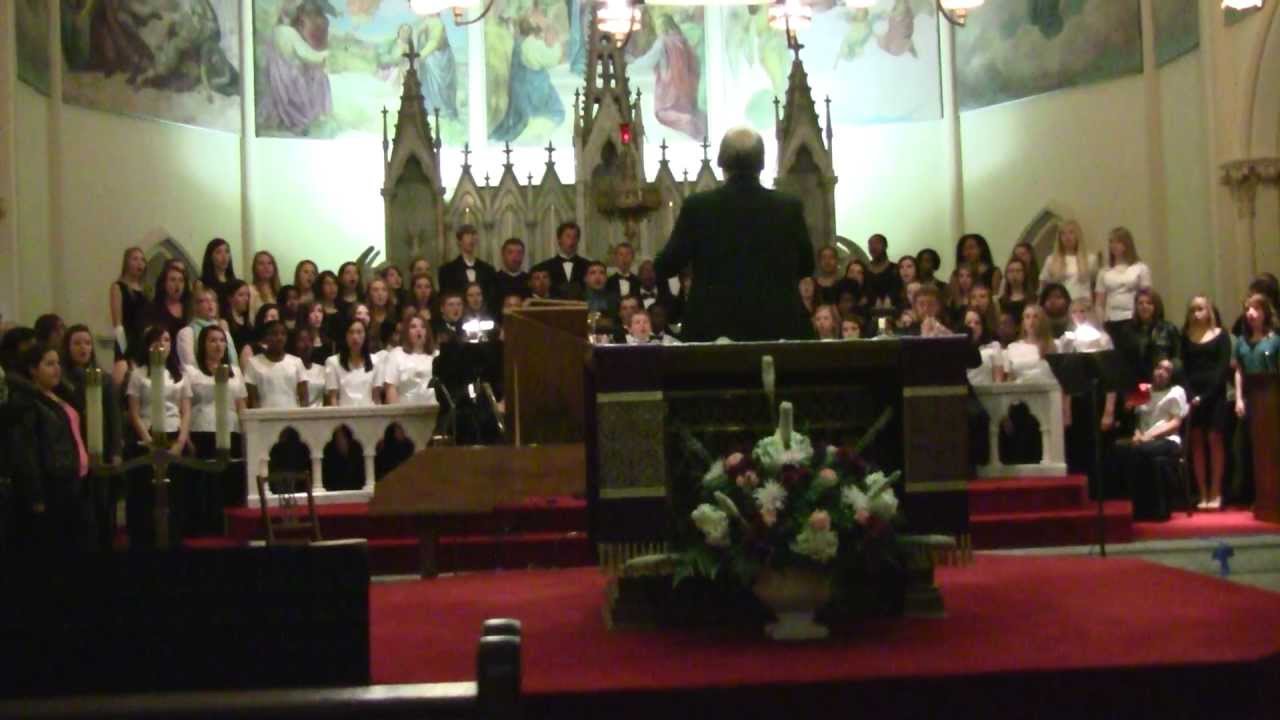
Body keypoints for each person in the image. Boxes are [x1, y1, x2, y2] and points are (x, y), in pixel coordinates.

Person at [655, 128, 814, 342]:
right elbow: (807, 265)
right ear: (762, 164)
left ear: (721, 162)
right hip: (777, 328)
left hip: (712, 329)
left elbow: (667, 265)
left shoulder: (699, 207)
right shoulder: (788, 208)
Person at [7, 344, 95, 551]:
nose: (57, 369)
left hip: (75, 478)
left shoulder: (59, 395)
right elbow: (27, 450)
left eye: (57, 363)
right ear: (33, 370)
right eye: (49, 364)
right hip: (54, 483)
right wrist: (36, 493)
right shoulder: (27, 401)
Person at [124, 326, 192, 548]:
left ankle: (174, 539)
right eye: (156, 340)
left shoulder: (180, 374)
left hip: (173, 435)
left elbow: (186, 410)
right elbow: (134, 412)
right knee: (145, 496)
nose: (161, 344)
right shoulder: (138, 374)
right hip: (147, 436)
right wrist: (150, 442)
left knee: (175, 496)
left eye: (166, 339)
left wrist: (181, 441)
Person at [60, 325, 123, 549]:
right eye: (77, 343)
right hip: (74, 451)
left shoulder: (104, 380)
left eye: (87, 343)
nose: (83, 348)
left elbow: (114, 419)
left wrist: (116, 451)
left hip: (102, 448)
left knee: (104, 507)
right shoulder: (61, 380)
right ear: (67, 348)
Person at [184, 325, 248, 535]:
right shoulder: (192, 372)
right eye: (212, 340)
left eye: (221, 340)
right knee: (206, 482)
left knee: (229, 480)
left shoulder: (235, 372)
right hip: (203, 430)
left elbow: (241, 405)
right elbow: (185, 404)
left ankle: (231, 528)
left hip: (231, 431)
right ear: (203, 345)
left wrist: (247, 434)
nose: (218, 345)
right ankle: (206, 527)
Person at [1112, 358, 1187, 520]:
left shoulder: (1177, 391)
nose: (1161, 372)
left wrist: (1149, 436)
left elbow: (1175, 423)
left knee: (1139, 450)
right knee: (1121, 448)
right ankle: (1137, 506)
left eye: (1167, 370)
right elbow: (1139, 419)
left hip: (1168, 440)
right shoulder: (1144, 390)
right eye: (1159, 368)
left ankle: (1155, 508)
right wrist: (1138, 434)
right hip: (1144, 440)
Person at [1181, 295, 1231, 510]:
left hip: (1215, 395)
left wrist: (1206, 396)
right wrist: (1191, 396)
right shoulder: (1185, 337)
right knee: (1196, 442)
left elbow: (1221, 370)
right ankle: (1202, 493)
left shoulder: (1221, 336)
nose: (1196, 313)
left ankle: (1216, 491)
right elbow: (1183, 369)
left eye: (1200, 309)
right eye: (1192, 310)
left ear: (1209, 310)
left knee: (1214, 440)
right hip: (1193, 397)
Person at [489, 17, 565, 142]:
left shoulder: (520, 43)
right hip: (532, 84)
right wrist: (556, 45)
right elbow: (550, 58)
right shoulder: (531, 44)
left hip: (519, 85)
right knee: (551, 108)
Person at [1095, 227, 1152, 337]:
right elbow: (1099, 303)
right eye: (1111, 242)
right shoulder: (1104, 272)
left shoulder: (1140, 268)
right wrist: (1102, 324)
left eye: (1118, 242)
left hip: (1133, 318)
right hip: (1111, 319)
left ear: (1127, 244)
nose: (1114, 246)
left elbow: (1147, 297)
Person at [110, 246, 150, 387]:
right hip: (127, 340)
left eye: (142, 260)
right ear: (126, 263)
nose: (140, 263)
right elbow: (118, 324)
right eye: (135, 259)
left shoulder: (145, 290)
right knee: (124, 380)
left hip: (142, 340)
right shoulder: (118, 287)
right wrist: (125, 353)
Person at [245, 321, 306, 409]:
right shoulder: (253, 363)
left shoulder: (296, 362)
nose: (279, 337)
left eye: (283, 334)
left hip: (292, 417)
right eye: (274, 334)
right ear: (266, 338)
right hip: (264, 417)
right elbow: (253, 399)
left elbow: (303, 398)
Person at [382, 316, 439, 405]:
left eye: (423, 327)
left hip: (434, 410)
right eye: (413, 327)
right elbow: (390, 388)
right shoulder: (396, 354)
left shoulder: (436, 355)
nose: (419, 330)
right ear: (406, 332)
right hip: (406, 412)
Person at [1040, 220, 1097, 307]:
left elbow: (1095, 286)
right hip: (1060, 307)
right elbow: (1043, 285)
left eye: (1071, 233)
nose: (1067, 237)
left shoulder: (1090, 259)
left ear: (1078, 236)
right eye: (1063, 234)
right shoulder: (1051, 260)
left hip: (1084, 306)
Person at [177, 288, 237, 369]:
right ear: (195, 306)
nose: (210, 304)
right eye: (204, 301)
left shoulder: (223, 331)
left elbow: (234, 362)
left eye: (213, 300)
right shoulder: (187, 332)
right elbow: (190, 365)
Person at [325, 318, 377, 407]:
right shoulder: (333, 362)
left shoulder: (376, 360)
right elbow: (333, 398)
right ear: (345, 336)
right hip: (343, 417)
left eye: (359, 332)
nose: (355, 337)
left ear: (365, 335)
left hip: (369, 415)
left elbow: (376, 397)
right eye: (351, 332)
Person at [439, 225, 498, 303]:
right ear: (459, 241)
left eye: (473, 235)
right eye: (467, 235)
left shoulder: (488, 270)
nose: (471, 239)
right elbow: (446, 298)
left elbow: (491, 298)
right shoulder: (447, 270)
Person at [533, 222, 590, 297]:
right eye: (568, 236)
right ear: (559, 239)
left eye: (575, 237)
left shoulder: (588, 266)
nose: (572, 241)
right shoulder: (544, 267)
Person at [147, 261, 191, 346]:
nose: (177, 285)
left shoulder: (190, 307)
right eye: (172, 280)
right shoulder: (154, 308)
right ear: (164, 283)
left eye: (181, 280)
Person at [291, 326, 327, 408]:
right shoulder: (289, 369)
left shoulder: (322, 370)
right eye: (302, 340)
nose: (306, 345)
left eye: (309, 340)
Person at [861, 234, 900, 310]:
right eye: (870, 244)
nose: (873, 247)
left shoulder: (896, 269)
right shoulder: (864, 270)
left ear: (885, 246)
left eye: (877, 243)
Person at [199, 238, 237, 304]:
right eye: (218, 252)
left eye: (227, 252)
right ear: (210, 257)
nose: (224, 256)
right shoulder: (202, 284)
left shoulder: (234, 282)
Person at [247, 251, 282, 320]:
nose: (266, 267)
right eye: (261, 264)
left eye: (269, 263)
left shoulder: (280, 291)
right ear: (254, 268)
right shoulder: (250, 290)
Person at [999, 258, 1033, 325]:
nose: (1014, 274)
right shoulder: (1001, 301)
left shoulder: (1033, 298)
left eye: (1018, 271)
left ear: (1024, 274)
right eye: (1011, 271)